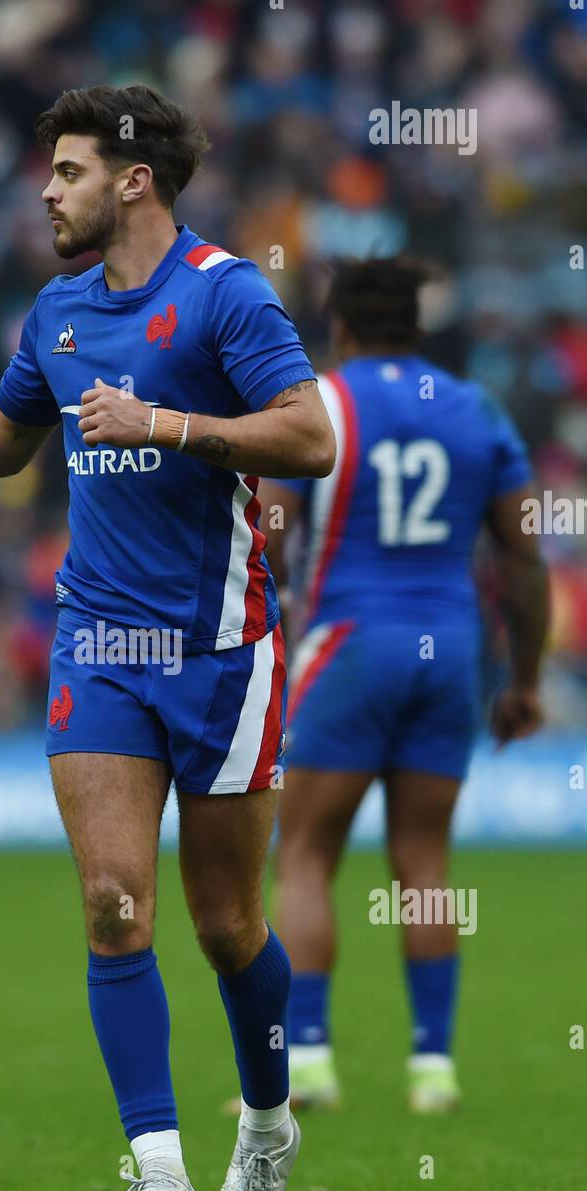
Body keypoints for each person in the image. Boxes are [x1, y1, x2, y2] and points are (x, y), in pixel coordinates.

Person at [0, 83, 334, 1191]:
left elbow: (311, 436)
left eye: (67, 172)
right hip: (99, 643)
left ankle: (266, 1123)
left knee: (227, 923)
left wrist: (169, 425)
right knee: (112, 907)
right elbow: (6, 437)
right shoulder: (55, 311)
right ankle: (160, 1171)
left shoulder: (225, 295)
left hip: (220, 652)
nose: (47, 191)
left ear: (132, 179)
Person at [259, 257, 548, 1115]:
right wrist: (524, 680)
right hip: (450, 651)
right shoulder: (475, 410)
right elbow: (524, 559)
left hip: (350, 641)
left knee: (306, 853)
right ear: (418, 328)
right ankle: (433, 1068)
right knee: (425, 860)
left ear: (339, 327)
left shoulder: (322, 405)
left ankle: (307, 1060)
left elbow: (270, 531)